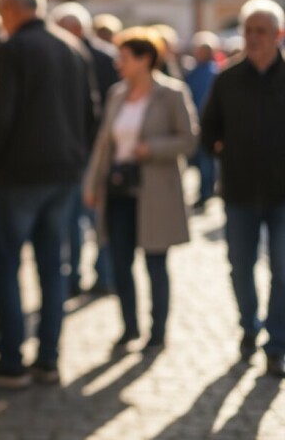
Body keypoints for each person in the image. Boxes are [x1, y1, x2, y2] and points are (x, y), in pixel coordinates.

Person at [0, 0, 97, 388]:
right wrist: (76, 160)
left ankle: (11, 359)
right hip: (63, 174)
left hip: (21, 175)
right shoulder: (72, 46)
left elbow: (0, 116)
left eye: (1, 13)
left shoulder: (14, 49)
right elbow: (91, 114)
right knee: (52, 266)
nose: (1, 21)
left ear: (12, 9)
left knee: (6, 263)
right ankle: (47, 359)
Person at [84, 27, 198, 352]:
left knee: (155, 263)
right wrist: (92, 183)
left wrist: (153, 148)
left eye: (124, 57)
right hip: (118, 190)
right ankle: (129, 327)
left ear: (145, 59)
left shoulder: (171, 93)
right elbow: (104, 144)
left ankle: (157, 331)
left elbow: (188, 139)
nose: (118, 63)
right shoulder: (117, 94)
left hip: (155, 192)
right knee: (120, 263)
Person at [201, 0, 285, 378]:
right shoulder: (228, 78)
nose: (252, 37)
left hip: (283, 195)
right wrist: (224, 152)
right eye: (248, 30)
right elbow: (208, 131)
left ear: (278, 35)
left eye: (260, 31)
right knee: (240, 266)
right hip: (239, 192)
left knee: (283, 270)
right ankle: (249, 325)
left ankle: (277, 343)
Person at [51, 2, 119, 297]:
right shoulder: (98, 56)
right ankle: (85, 276)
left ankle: (93, 276)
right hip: (79, 151)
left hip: (89, 150)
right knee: (79, 220)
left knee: (89, 219)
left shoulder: (99, 57)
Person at [184, 31, 221, 211]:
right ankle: (205, 191)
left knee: (207, 161)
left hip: (207, 123)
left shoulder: (216, 72)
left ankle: (206, 192)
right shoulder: (194, 72)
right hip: (196, 122)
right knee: (201, 160)